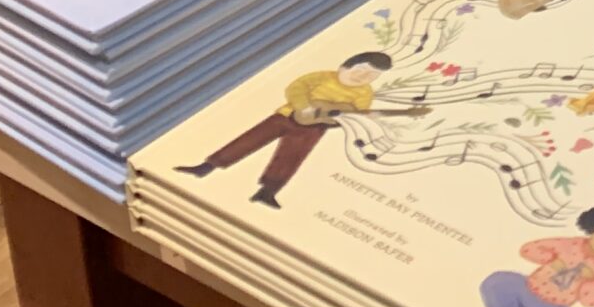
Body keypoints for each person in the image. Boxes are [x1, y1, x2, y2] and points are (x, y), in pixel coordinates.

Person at [174, 50, 424, 206]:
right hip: (288, 115)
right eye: (360, 71)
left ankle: (268, 191)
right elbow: (296, 88)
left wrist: (334, 119)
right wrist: (303, 106)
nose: (362, 78)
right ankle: (207, 166)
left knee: (292, 158)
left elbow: (355, 114)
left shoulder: (364, 93)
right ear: (345, 66)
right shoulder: (322, 77)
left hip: (314, 128)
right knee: (249, 140)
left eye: (370, 76)